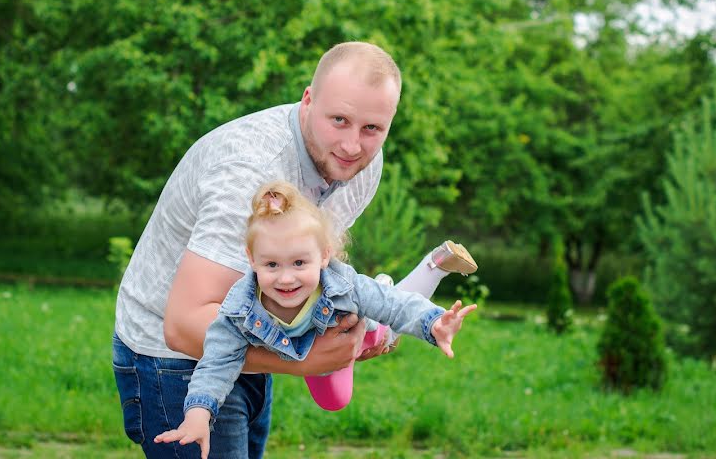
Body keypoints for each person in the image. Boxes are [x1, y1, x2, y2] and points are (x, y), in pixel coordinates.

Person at [111, 41, 469, 459]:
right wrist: (308, 359)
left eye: (372, 129)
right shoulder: (249, 172)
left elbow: (322, 268)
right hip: (172, 358)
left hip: (255, 336)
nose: (353, 146)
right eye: (339, 120)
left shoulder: (359, 163)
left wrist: (354, 326)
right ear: (308, 100)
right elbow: (183, 324)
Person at [153, 181, 478, 459]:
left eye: (298, 263)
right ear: (251, 260)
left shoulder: (343, 286)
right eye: (271, 265)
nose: (286, 279)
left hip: (354, 326)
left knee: (385, 328)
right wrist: (198, 413)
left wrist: (434, 323)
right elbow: (216, 362)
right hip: (311, 350)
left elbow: (395, 306)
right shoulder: (240, 312)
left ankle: (427, 269)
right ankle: (426, 269)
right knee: (335, 400)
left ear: (324, 256)